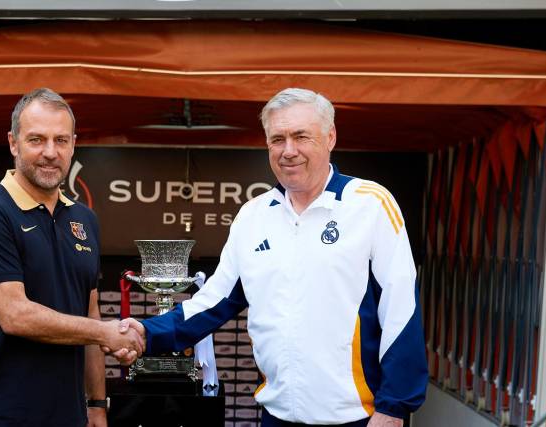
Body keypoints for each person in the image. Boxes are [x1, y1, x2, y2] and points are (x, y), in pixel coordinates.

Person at [117, 88, 427, 427]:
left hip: (359, 418)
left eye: (301, 136)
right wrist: (147, 333)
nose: (288, 151)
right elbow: (214, 301)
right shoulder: (253, 216)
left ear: (330, 137)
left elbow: (401, 310)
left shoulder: (371, 205)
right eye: (277, 139)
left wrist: (394, 408)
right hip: (277, 415)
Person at [0, 88, 143, 427]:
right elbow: (16, 315)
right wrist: (106, 333)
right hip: (3, 417)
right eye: (36, 140)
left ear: (73, 144)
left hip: (70, 416)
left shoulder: (84, 220)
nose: (49, 152)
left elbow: (89, 310)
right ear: (13, 143)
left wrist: (97, 404)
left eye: (60, 140)